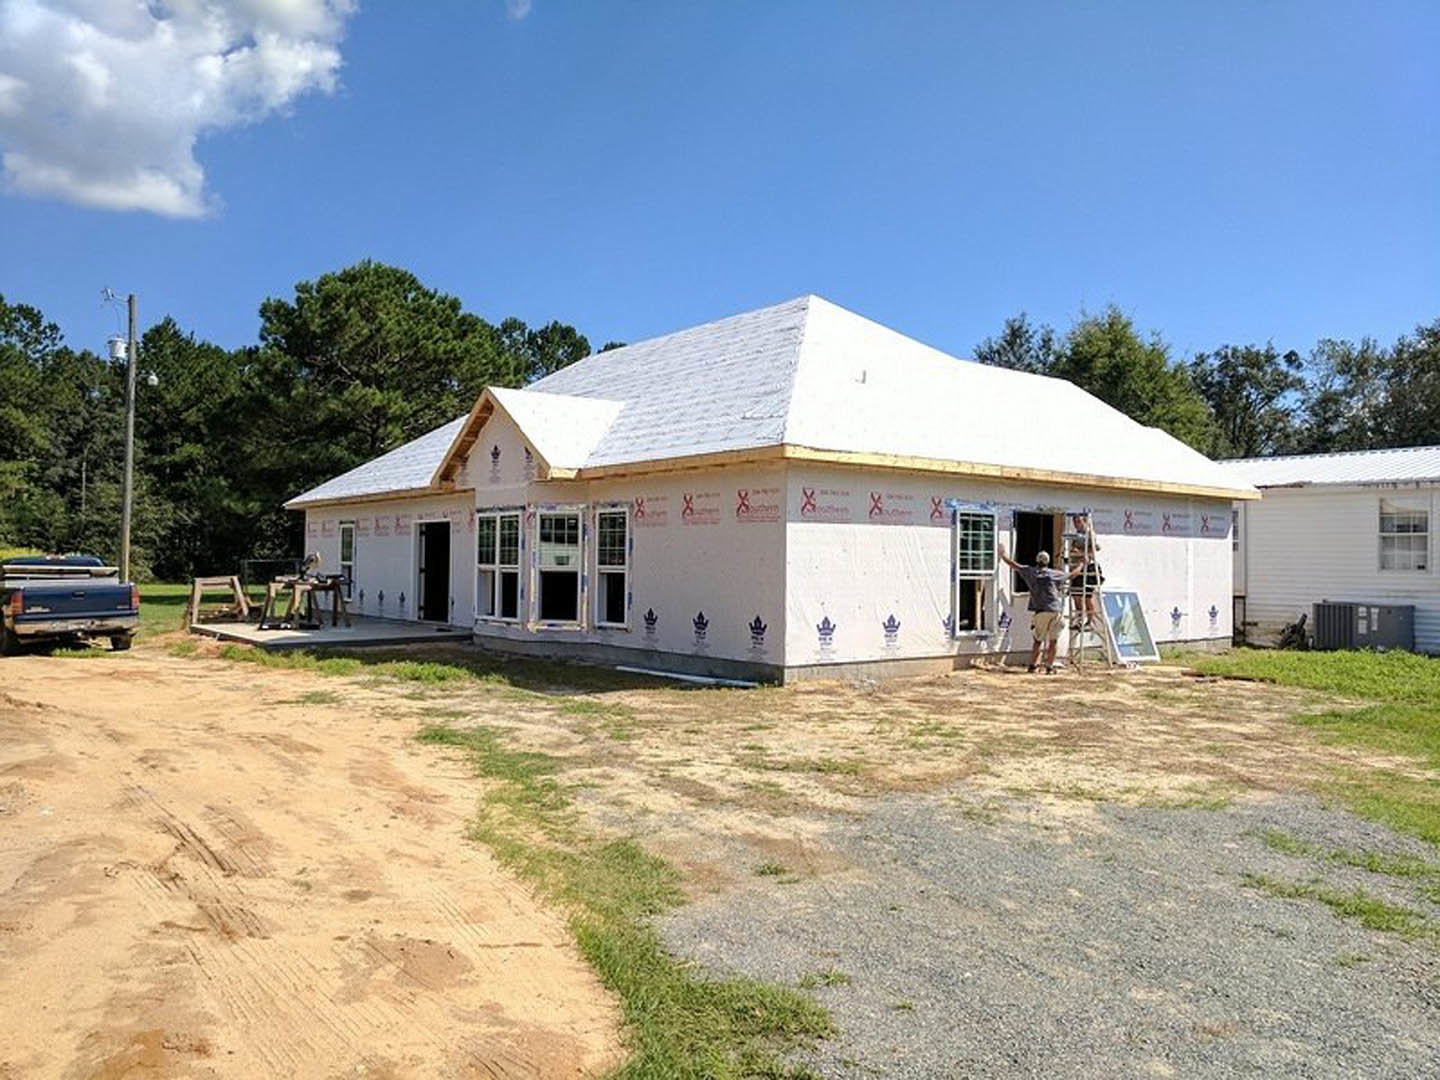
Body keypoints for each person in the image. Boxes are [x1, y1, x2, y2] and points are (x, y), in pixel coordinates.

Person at [998, 543, 1089, 673]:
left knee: (1037, 641)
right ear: (1048, 562)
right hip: (1054, 611)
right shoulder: (1053, 574)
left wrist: (1003, 554)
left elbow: (1014, 565)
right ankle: (1049, 667)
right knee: (1053, 641)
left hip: (1040, 612)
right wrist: (1082, 564)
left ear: (1037, 561)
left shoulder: (1030, 572)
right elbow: (1072, 575)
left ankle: (1032, 666)